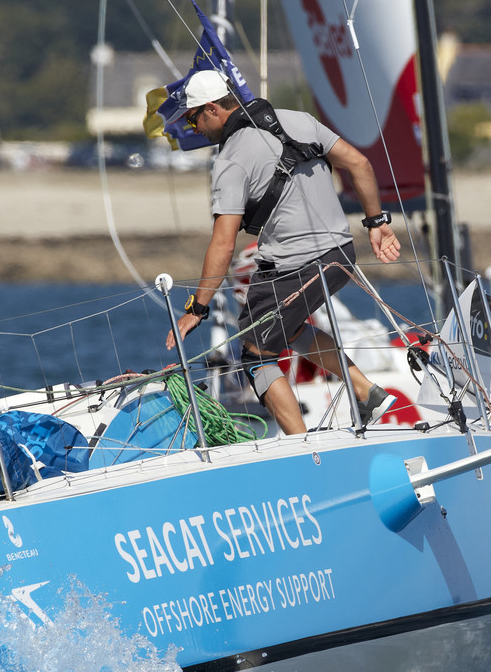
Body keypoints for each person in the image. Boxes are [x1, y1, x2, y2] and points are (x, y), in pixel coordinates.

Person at [164, 70, 401, 434]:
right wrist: (376, 223)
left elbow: (224, 243)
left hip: (295, 267)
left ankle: (301, 448)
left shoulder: (230, 160)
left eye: (193, 118)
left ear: (212, 109)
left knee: (256, 355)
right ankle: (365, 392)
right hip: (342, 254)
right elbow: (360, 164)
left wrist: (198, 307)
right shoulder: (298, 120)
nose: (193, 128)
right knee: (283, 330)